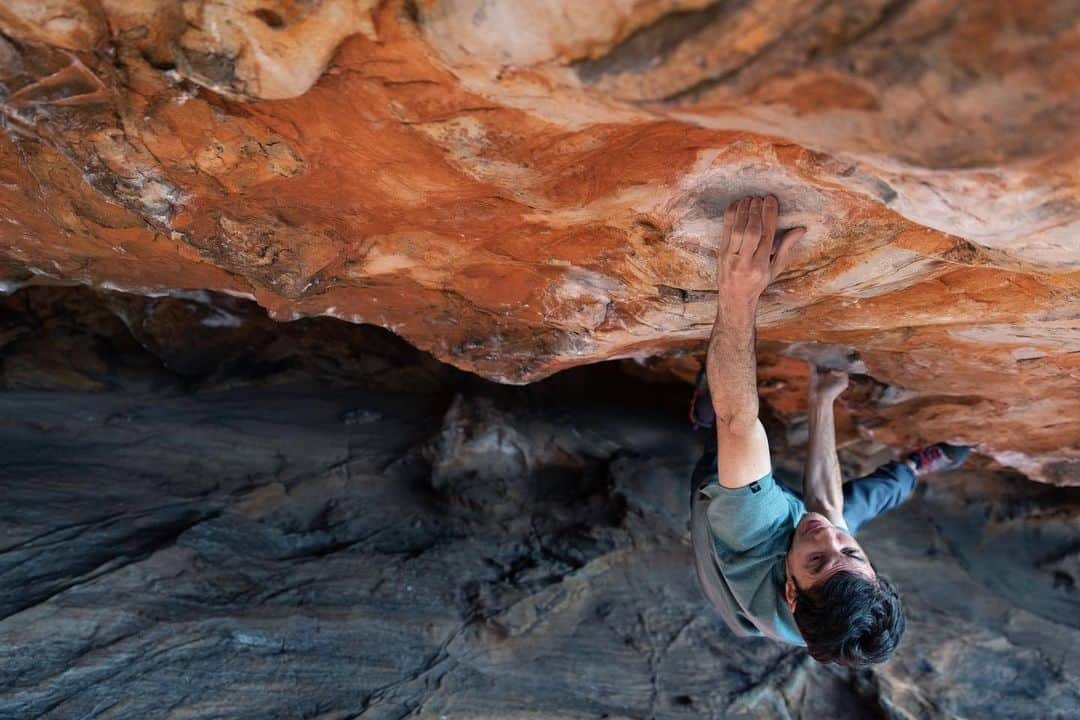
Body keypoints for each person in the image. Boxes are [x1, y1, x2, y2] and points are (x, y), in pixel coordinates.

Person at [689, 195, 970, 666]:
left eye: (817, 561)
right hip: (787, 582)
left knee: (726, 440)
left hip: (730, 536)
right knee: (862, 502)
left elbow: (740, 421)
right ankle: (911, 469)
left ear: (791, 593)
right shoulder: (838, 598)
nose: (828, 540)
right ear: (873, 574)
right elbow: (826, 511)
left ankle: (700, 417)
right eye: (854, 554)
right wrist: (821, 400)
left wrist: (739, 293)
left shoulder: (750, 532)